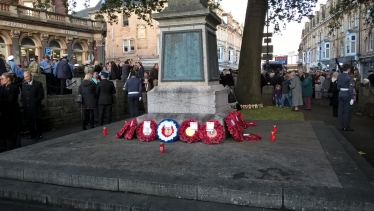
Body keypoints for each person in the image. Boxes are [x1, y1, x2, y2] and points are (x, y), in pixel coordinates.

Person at [0, 73, 22, 150]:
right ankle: (8, 145)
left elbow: (11, 101)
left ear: (8, 79)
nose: (1, 80)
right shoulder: (3, 87)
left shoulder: (13, 88)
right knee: (6, 129)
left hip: (12, 112)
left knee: (14, 130)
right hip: (4, 112)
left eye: (2, 79)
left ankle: (15, 145)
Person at [21, 72, 45, 139]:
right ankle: (32, 134)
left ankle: (39, 134)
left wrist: (35, 101)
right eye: (25, 77)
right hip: (27, 106)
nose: (26, 78)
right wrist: (23, 102)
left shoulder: (37, 84)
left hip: (35, 106)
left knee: (37, 121)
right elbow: (23, 95)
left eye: (27, 76)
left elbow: (41, 95)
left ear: (31, 76)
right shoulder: (24, 84)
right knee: (30, 121)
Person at [337, 64, 355, 131]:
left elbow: (338, 87)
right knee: (347, 112)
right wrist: (352, 98)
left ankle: (341, 126)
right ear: (348, 69)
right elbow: (351, 88)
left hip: (341, 94)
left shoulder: (339, 76)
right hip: (347, 95)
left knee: (340, 111)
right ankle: (346, 126)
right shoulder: (349, 77)